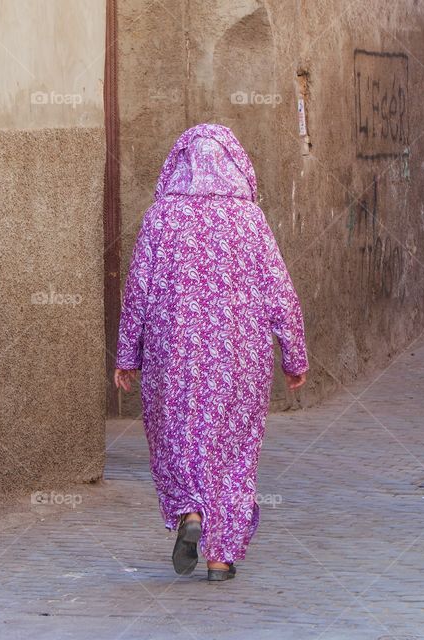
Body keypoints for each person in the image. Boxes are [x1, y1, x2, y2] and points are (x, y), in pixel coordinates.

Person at [113, 124, 308, 582]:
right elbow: (280, 292)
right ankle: (221, 558)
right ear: (237, 165)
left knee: (179, 436)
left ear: (177, 164)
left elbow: (137, 291)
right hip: (240, 358)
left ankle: (190, 512)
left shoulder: (160, 217)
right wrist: (294, 355)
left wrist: (127, 355)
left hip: (173, 353)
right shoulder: (250, 221)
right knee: (234, 449)